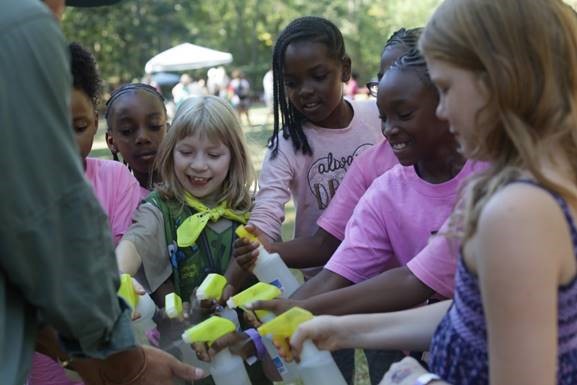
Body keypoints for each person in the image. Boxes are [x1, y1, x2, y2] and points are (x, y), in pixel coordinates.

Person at [291, 1, 577, 384]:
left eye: (445, 89)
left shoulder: (518, 211)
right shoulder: (532, 185)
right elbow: (474, 313)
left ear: (497, 81)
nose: (441, 111)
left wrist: (416, 381)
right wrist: (342, 330)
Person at [0, 0, 204, 384]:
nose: (58, 14)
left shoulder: (119, 183)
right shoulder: (23, 23)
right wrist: (126, 363)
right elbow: (56, 227)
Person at [235, 27, 421, 272]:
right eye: (292, 82)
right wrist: (228, 285)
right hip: (326, 277)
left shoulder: (379, 118)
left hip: (391, 271)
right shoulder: (287, 146)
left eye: (319, 76)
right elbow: (266, 219)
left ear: (344, 69)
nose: (306, 90)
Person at [115, 96, 272, 384]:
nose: (199, 166)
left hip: (249, 355)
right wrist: (113, 276)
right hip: (189, 358)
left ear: (234, 155)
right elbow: (134, 243)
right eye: (186, 152)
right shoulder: (160, 209)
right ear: (171, 150)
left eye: (213, 155)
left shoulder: (250, 210)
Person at [105, 83, 168, 192]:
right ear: (111, 142)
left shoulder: (198, 185)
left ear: (169, 131)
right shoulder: (112, 201)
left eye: (154, 125)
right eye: (127, 130)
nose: (142, 138)